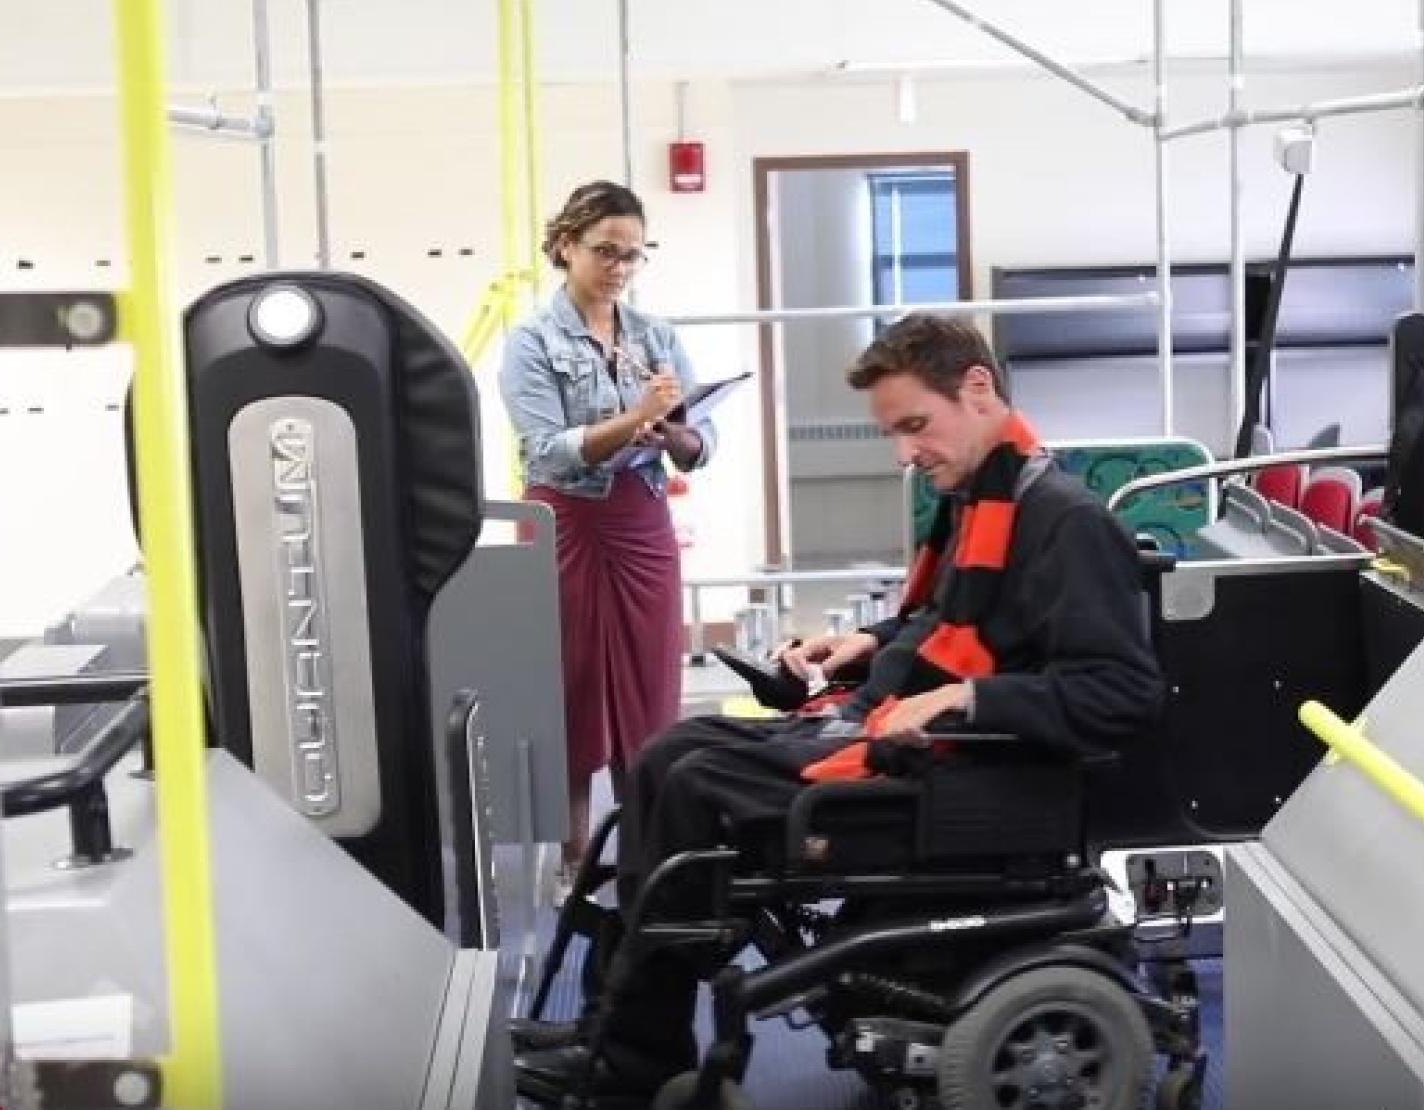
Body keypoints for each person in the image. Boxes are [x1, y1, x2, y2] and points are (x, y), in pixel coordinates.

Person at [515, 313, 1165, 1105]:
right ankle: (613, 1028)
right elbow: (963, 624)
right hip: (894, 727)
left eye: (915, 426)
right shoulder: (986, 497)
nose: (905, 454)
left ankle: (631, 1057)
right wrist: (869, 640)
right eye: (894, 433)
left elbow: (1122, 691)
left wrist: (966, 694)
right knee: (667, 754)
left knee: (690, 782)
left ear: (979, 388)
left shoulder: (1065, 521)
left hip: (965, 775)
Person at [499, 180, 717, 900]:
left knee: (652, 697)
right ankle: (570, 858)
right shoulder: (532, 341)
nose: (620, 267)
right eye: (605, 251)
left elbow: (700, 439)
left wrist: (677, 431)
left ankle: (644, 855)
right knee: (572, 692)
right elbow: (549, 449)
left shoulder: (656, 336)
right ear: (566, 246)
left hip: (643, 527)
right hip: (568, 528)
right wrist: (634, 421)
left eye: (633, 254)